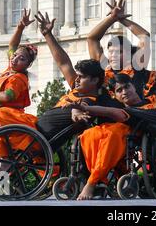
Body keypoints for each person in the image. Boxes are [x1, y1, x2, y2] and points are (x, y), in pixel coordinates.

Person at [66, 36, 156, 200]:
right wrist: (84, 108)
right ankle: (95, 181)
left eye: (127, 87)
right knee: (93, 135)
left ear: (134, 87)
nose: (124, 92)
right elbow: (110, 112)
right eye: (119, 91)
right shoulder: (131, 113)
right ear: (116, 97)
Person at [87, 0, 156, 120]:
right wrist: (112, 18)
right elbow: (92, 39)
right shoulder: (104, 72)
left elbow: (144, 36)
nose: (113, 56)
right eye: (110, 52)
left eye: (119, 52)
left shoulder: (148, 74)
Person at [34, 12, 122, 152]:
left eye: (82, 77)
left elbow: (80, 108)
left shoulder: (91, 100)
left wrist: (76, 113)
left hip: (38, 140)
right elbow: (63, 62)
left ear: (94, 80)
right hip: (34, 129)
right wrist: (47, 35)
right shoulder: (77, 87)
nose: (77, 79)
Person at [0, 9, 38, 199]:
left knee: (4, 156)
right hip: (0, 118)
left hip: (9, 117)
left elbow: (8, 97)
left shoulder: (18, 78)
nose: (16, 58)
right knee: (0, 156)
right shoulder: (10, 69)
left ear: (27, 65)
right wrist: (20, 27)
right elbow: (12, 45)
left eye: (22, 59)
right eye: (16, 56)